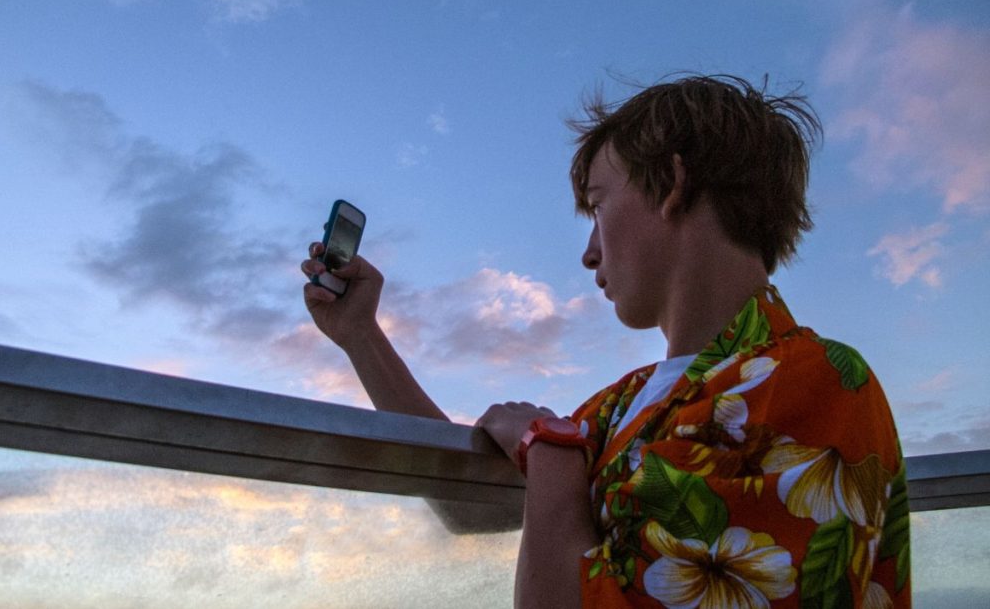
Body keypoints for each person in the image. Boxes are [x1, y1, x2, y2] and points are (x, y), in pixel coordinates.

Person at [301, 74, 910, 608]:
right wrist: (361, 338)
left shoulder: (814, 380)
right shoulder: (624, 405)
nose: (589, 251)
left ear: (672, 184)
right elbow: (472, 507)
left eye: (598, 206)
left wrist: (547, 448)